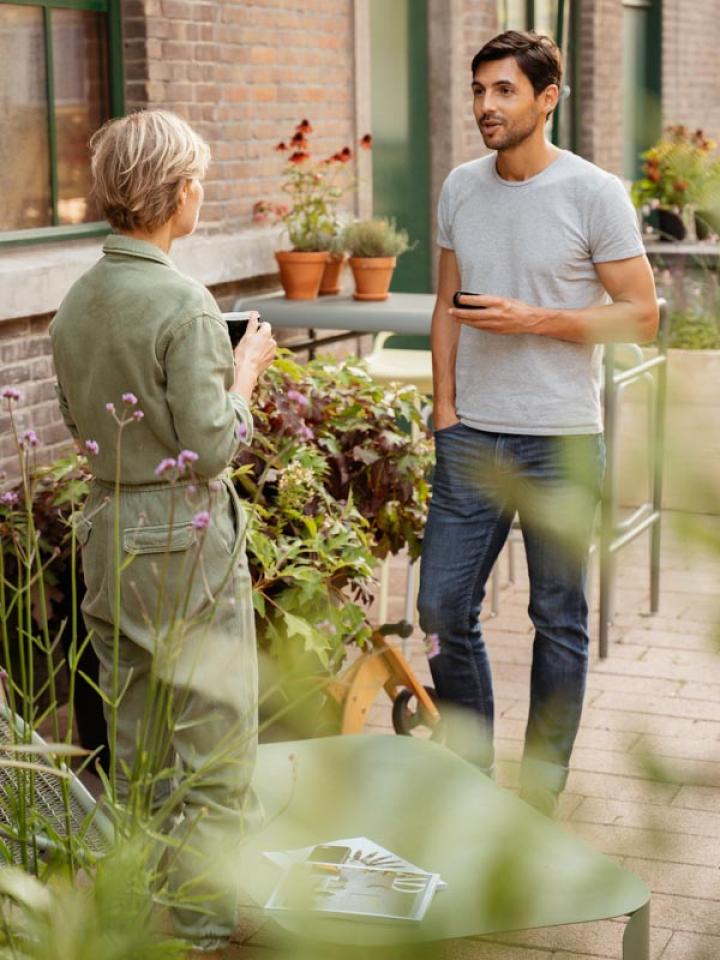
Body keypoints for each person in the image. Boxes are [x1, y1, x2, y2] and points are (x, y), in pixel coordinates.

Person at [50, 109, 276, 953]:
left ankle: (135, 901)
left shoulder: (78, 299)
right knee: (214, 731)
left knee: (135, 734)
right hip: (181, 532)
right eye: (197, 179)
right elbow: (211, 445)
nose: (201, 191)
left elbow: (77, 421)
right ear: (174, 192)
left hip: (106, 527)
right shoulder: (182, 300)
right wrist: (246, 372)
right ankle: (207, 924)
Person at [417, 31, 658, 816]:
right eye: (479, 90)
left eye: (503, 91)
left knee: (557, 615)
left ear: (545, 98)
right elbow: (446, 303)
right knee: (442, 609)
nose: (485, 106)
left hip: (560, 438)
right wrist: (445, 407)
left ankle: (542, 795)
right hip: (470, 438)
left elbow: (643, 317)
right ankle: (471, 779)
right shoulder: (460, 186)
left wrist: (534, 321)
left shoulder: (594, 193)